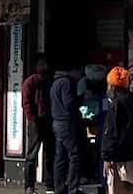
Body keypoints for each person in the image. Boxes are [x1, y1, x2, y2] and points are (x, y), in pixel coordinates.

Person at [100, 67, 133, 194]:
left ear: (112, 87)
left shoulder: (117, 104)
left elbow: (111, 133)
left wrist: (107, 157)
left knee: (118, 190)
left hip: (119, 160)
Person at [49, 66, 88, 194]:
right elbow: (69, 103)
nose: (79, 77)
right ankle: (73, 188)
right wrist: (81, 99)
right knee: (74, 155)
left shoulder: (55, 82)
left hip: (57, 122)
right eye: (79, 73)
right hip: (66, 123)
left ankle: (59, 188)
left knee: (60, 157)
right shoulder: (67, 82)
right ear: (74, 70)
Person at [21, 58, 56, 194]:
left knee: (46, 153)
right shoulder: (33, 82)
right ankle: (32, 185)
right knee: (35, 154)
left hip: (42, 120)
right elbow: (26, 103)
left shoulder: (35, 81)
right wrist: (33, 119)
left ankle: (40, 185)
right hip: (38, 122)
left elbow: (26, 102)